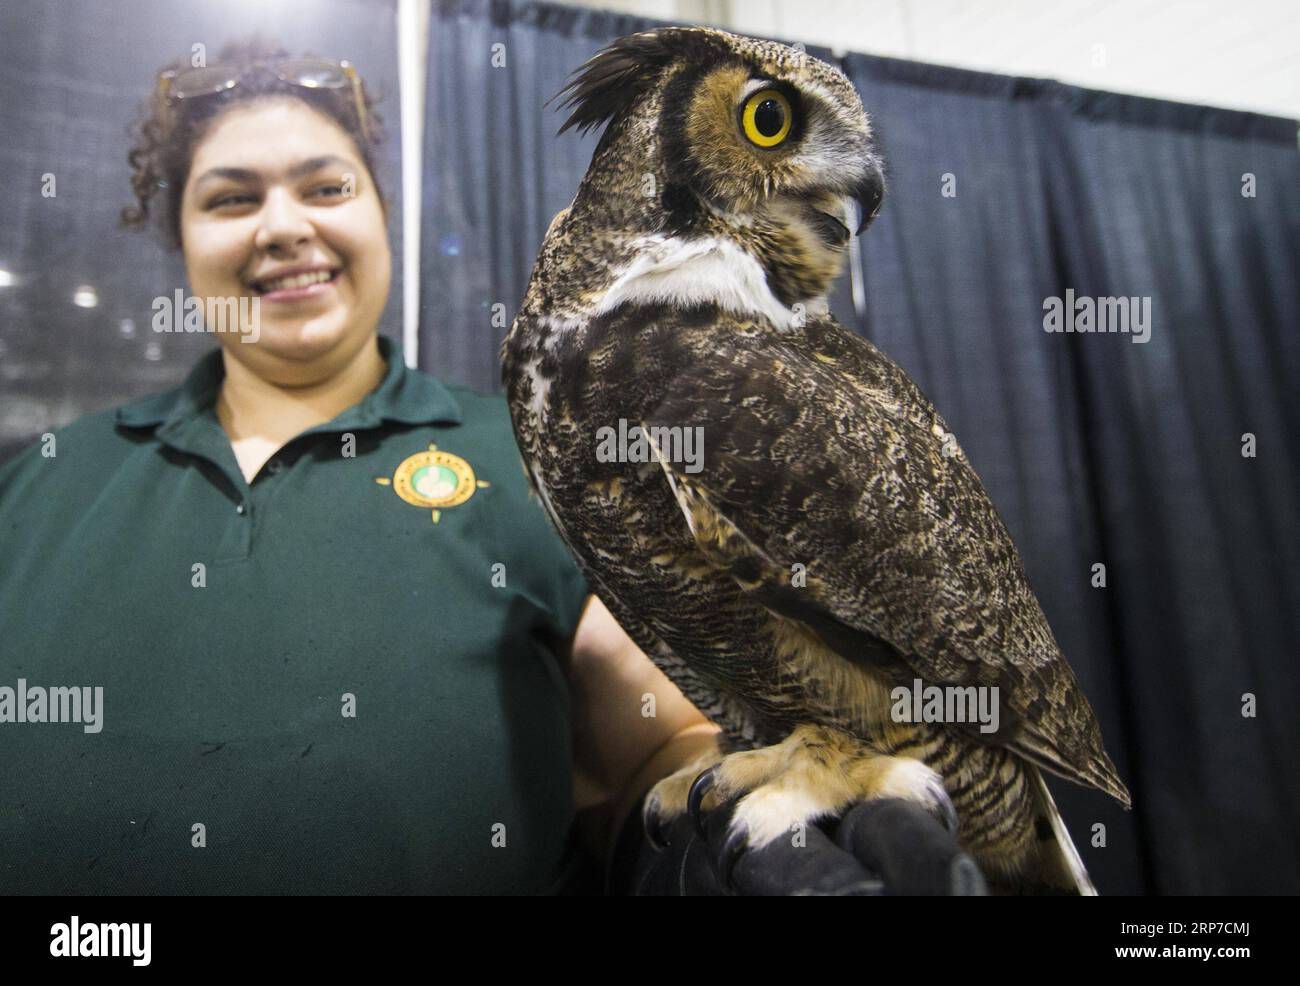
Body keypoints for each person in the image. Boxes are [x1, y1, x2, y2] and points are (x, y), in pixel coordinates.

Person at [0, 37, 975, 895]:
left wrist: (727, 826)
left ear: (383, 215)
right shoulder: (42, 481)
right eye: (231, 197)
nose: (283, 224)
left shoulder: (535, 457)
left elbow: (656, 736)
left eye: (326, 185)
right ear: (180, 240)